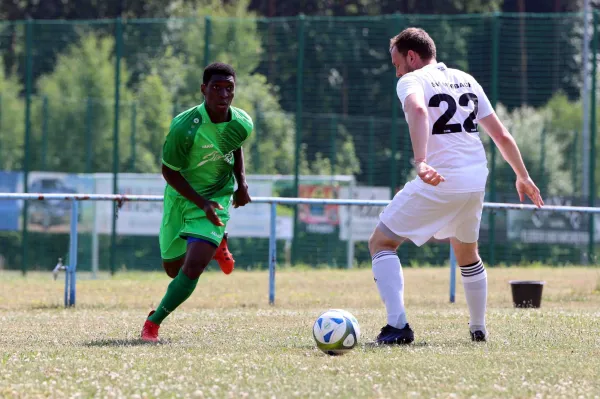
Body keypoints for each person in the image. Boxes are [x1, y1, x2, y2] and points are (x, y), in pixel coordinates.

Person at [369, 28, 544, 345]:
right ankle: (478, 328)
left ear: (411, 57)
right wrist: (523, 175)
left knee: (381, 242)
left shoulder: (411, 81)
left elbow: (419, 110)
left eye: (396, 64)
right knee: (467, 253)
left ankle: (397, 326)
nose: (396, 71)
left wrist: (421, 161)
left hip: (442, 178)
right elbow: (501, 135)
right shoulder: (467, 80)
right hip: (476, 178)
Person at [141, 62, 253, 342]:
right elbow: (169, 171)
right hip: (182, 196)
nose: (223, 94)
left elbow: (234, 144)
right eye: (216, 88)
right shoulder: (184, 127)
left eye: (229, 88)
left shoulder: (242, 123)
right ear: (203, 89)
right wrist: (198, 201)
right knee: (173, 270)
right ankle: (219, 241)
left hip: (215, 197)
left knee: (192, 269)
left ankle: (153, 323)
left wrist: (241, 183)